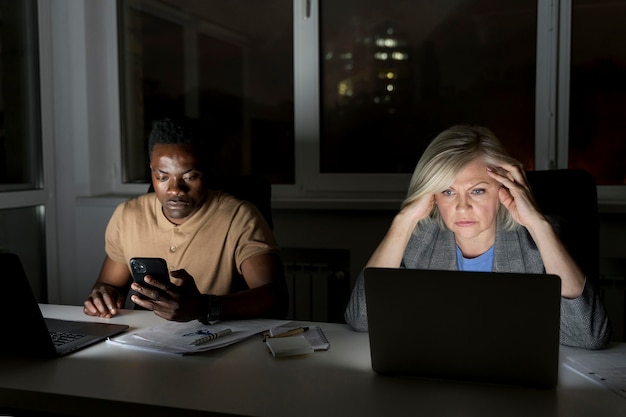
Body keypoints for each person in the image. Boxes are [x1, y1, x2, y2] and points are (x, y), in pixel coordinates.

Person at [344, 125, 611, 349]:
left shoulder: (538, 239)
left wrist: (537, 223)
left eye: (478, 191)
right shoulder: (420, 238)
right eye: (448, 192)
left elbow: (588, 336)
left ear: (502, 188)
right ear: (432, 195)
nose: (462, 207)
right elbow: (361, 319)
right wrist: (402, 221)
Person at [83, 117, 289, 322]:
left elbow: (275, 299)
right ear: (151, 171)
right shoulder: (127, 215)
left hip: (216, 343)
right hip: (144, 343)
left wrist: (204, 307)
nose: (175, 190)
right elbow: (109, 285)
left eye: (189, 177)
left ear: (207, 171)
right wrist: (103, 296)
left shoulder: (240, 217)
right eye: (163, 177)